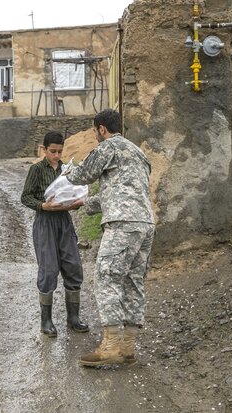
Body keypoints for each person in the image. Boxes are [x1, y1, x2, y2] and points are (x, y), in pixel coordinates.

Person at [65, 109, 155, 366]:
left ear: (102, 129)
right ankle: (128, 347)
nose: (95, 135)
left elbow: (82, 175)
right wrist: (86, 204)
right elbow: (121, 193)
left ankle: (111, 346)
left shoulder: (109, 147)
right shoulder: (137, 152)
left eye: (95, 131)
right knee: (133, 281)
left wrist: (67, 171)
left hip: (123, 226)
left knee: (106, 277)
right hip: (145, 224)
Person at [21, 131, 89, 337]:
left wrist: (75, 203)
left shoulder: (65, 169)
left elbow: (72, 191)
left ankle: (73, 318)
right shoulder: (36, 169)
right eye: (53, 151)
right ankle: (46, 320)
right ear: (44, 149)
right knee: (49, 269)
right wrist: (42, 205)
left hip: (64, 222)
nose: (57, 155)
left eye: (60, 151)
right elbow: (26, 197)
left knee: (73, 265)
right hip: (45, 223)